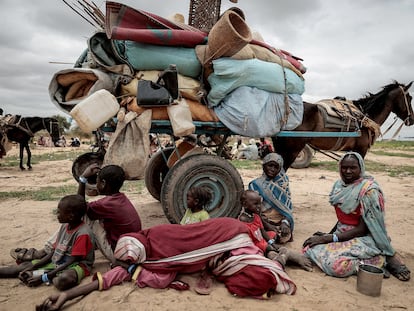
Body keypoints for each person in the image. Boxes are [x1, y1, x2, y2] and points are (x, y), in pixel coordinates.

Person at [36, 218, 297, 311]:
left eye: (129, 260)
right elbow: (108, 279)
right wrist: (66, 296)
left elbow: (190, 237)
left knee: (253, 268)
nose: (127, 264)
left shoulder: (156, 239)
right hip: (222, 250)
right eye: (128, 262)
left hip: (226, 234)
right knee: (255, 276)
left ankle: (279, 255)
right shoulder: (142, 262)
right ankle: (278, 257)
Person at [303, 152, 411, 281]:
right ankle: (371, 259)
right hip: (342, 233)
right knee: (309, 247)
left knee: (336, 265)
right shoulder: (339, 186)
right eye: (344, 167)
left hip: (365, 237)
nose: (347, 171)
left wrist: (330, 238)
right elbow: (342, 218)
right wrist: (328, 235)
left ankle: (379, 262)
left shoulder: (369, 191)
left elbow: (362, 229)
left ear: (360, 168)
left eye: (353, 168)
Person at [0, 194, 95, 291]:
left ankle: (42, 275)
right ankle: (38, 273)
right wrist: (34, 267)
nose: (57, 215)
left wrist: (44, 277)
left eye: (59, 212)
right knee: (24, 267)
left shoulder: (83, 233)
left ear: (70, 216)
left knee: (63, 279)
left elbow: (72, 261)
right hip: (57, 262)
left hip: (76, 266)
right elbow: (54, 252)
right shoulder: (64, 227)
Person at [238, 190, 312, 271]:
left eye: (260, 204)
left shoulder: (256, 216)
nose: (259, 207)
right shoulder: (242, 220)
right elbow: (248, 240)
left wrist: (271, 243)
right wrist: (266, 247)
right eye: (256, 204)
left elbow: (263, 232)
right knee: (272, 254)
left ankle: (281, 255)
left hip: (261, 241)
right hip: (254, 245)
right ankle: (284, 256)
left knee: (273, 237)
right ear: (245, 205)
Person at [248, 153, 294, 243]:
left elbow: (288, 210)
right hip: (262, 220)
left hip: (279, 222)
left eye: (276, 167)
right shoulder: (255, 184)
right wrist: (267, 224)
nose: (272, 169)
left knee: (283, 235)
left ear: (280, 169)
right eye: (270, 165)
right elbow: (252, 210)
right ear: (264, 166)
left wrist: (285, 223)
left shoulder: (283, 184)